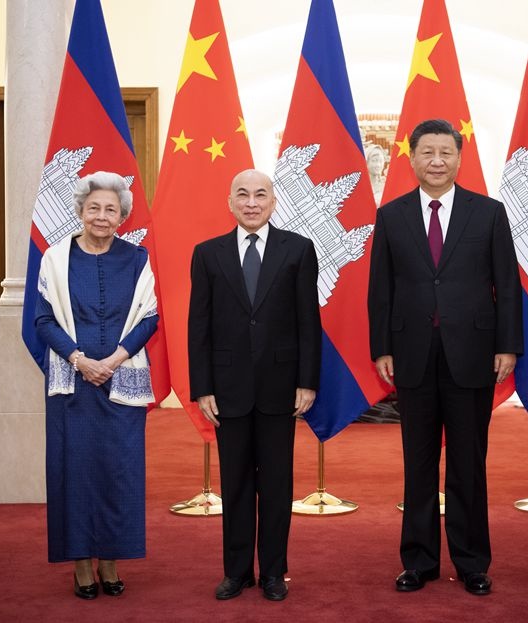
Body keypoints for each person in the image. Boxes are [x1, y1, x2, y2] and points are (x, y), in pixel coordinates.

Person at [368, 119, 523, 595]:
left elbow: (507, 286)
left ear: (459, 157)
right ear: (411, 157)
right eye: (427, 152)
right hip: (411, 355)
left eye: (445, 152)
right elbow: (380, 289)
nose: (437, 161)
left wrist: (506, 346)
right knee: (417, 463)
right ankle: (419, 561)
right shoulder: (391, 216)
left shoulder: (489, 213)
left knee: (468, 463)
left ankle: (472, 561)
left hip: (472, 355)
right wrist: (382, 348)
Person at [188, 169, 322, 602]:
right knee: (237, 483)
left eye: (259, 194)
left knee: (278, 484)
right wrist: (202, 385)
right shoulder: (207, 254)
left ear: (273, 201)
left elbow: (308, 321)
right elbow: (199, 325)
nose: (251, 202)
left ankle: (273, 573)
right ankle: (237, 571)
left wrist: (307, 381)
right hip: (226, 389)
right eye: (242, 194)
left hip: (281, 386)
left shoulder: (298, 250)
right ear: (229, 202)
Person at [34, 171, 159, 599]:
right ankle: (82, 564)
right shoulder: (55, 258)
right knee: (75, 472)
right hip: (74, 384)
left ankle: (111, 559)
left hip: (121, 381)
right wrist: (81, 360)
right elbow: (42, 320)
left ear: (122, 215)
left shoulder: (138, 258)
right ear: (81, 212)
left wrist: (115, 359)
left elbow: (150, 317)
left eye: (110, 209)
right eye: (94, 208)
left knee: (119, 472)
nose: (102, 216)